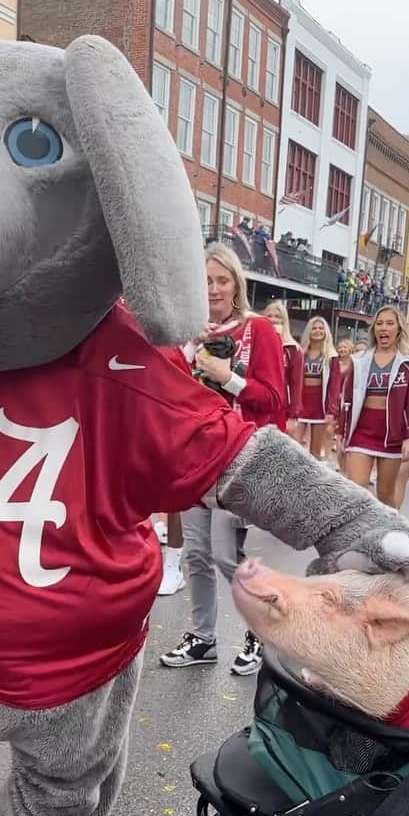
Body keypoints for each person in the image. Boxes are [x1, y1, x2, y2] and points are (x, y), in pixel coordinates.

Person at [161, 243, 284, 677]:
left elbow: (272, 399)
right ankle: (203, 637)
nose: (212, 288)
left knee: (226, 555)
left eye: (221, 280)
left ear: (236, 284)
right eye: (206, 280)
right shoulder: (190, 331)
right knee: (195, 553)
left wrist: (226, 377)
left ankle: (261, 632)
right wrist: (188, 351)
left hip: (236, 458)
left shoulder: (259, 331)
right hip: (193, 455)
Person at [340, 306, 409, 507]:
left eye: (389, 323)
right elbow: (347, 398)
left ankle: (391, 535)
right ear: (373, 329)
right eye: (379, 323)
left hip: (392, 435)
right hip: (361, 432)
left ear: (399, 329)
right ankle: (358, 536)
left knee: (385, 494)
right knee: (357, 490)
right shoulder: (359, 360)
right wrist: (341, 431)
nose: (383, 328)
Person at [296, 317, 341, 459]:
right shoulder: (300, 353)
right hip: (301, 403)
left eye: (321, 328)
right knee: (294, 446)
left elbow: (335, 385)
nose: (318, 331)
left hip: (319, 406)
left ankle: (313, 479)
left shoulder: (331, 356)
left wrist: (331, 410)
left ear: (326, 332)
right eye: (314, 328)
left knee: (315, 451)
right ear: (309, 331)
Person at [264, 300, 302, 434]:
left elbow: (296, 383)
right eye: (269, 316)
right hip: (260, 402)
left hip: (281, 406)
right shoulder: (256, 343)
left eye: (277, 316)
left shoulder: (293, 348)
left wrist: (293, 414)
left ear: (284, 320)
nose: (273, 319)